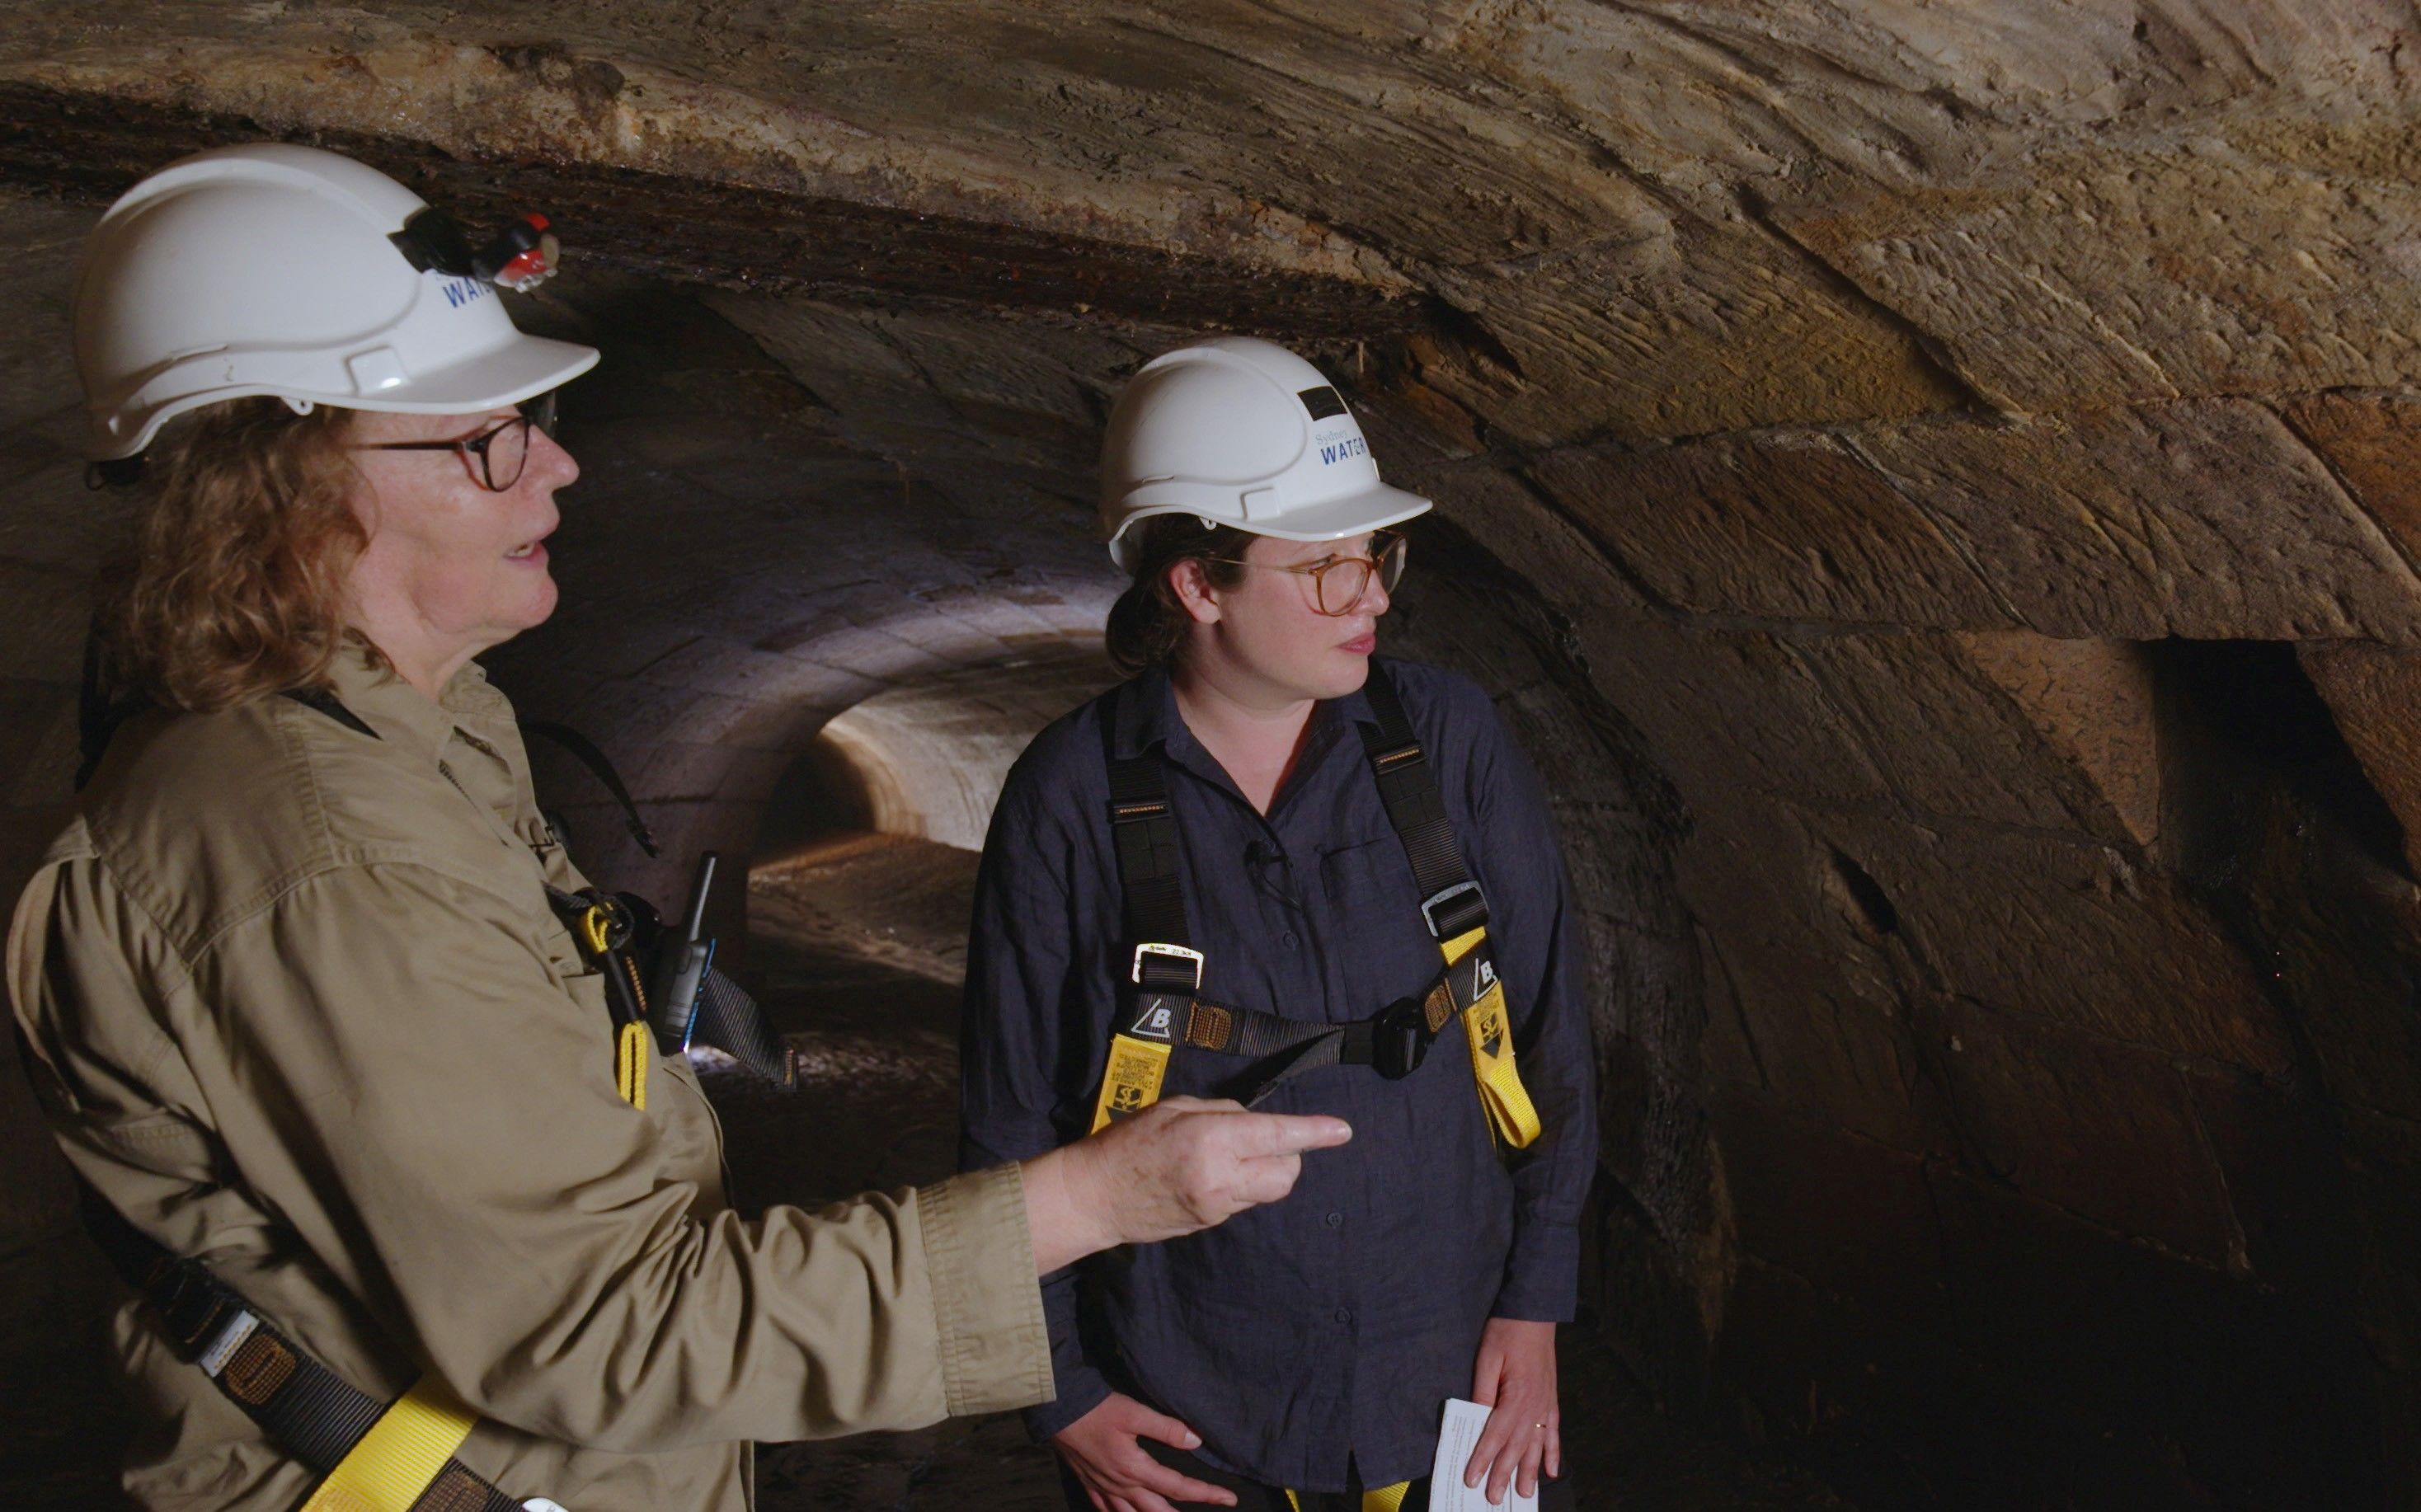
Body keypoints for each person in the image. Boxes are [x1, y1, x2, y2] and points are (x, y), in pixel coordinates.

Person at [7, 145, 1350, 1512]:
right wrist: (1095, 1202)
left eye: (531, 417)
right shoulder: (321, 857)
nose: (557, 463)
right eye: (487, 440)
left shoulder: (414, 734)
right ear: (285, 487)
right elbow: (610, 1326)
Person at [959, 337, 1596, 1512]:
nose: (1374, 595)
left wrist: (1537, 1304)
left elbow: (1549, 1029)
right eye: (1325, 568)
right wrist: (1062, 1391)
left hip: (1454, 1375)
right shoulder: (1072, 794)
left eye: (1375, 554)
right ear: (1198, 586)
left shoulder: (1448, 739)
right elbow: (1008, 1114)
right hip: (1192, 1403)